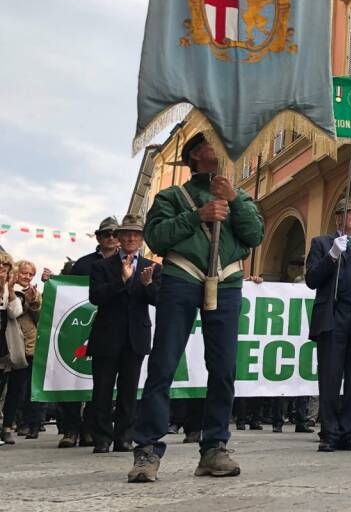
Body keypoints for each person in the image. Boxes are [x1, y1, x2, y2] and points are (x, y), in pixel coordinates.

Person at [129, 131, 265, 483]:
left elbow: (254, 237)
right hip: (181, 278)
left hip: (228, 281)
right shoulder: (172, 196)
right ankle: (147, 448)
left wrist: (233, 201)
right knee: (163, 363)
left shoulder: (240, 195)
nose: (219, 147)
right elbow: (156, 238)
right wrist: (198, 215)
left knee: (223, 368)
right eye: (209, 144)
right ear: (193, 155)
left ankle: (215, 446)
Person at [305, 197, 351, 452]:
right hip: (333, 316)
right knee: (330, 375)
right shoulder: (322, 243)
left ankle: (349, 430)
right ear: (338, 218)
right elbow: (312, 279)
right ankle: (329, 432)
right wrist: (332, 255)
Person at [86, 214, 161, 453]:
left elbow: (158, 300)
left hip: (135, 337)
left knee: (129, 391)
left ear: (141, 239)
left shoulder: (152, 267)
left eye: (136, 234)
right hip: (107, 335)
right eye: (127, 233)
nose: (131, 237)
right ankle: (102, 438)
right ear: (118, 237)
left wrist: (148, 284)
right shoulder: (101, 266)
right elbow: (96, 297)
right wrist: (121, 280)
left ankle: (124, 437)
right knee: (102, 389)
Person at [57, 215, 121, 449]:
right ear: (98, 237)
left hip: (112, 327)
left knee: (103, 383)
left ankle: (90, 428)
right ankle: (70, 428)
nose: (112, 238)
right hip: (79, 323)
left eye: (116, 234)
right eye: (107, 234)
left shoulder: (129, 262)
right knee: (72, 376)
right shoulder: (83, 264)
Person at [1, 260, 42, 444]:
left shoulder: (34, 293)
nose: (27, 277)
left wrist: (34, 302)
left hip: (27, 347)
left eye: (30, 274)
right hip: (8, 343)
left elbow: (40, 318)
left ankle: (8, 426)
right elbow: (14, 313)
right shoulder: (8, 289)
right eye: (24, 273)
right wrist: (11, 291)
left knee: (17, 390)